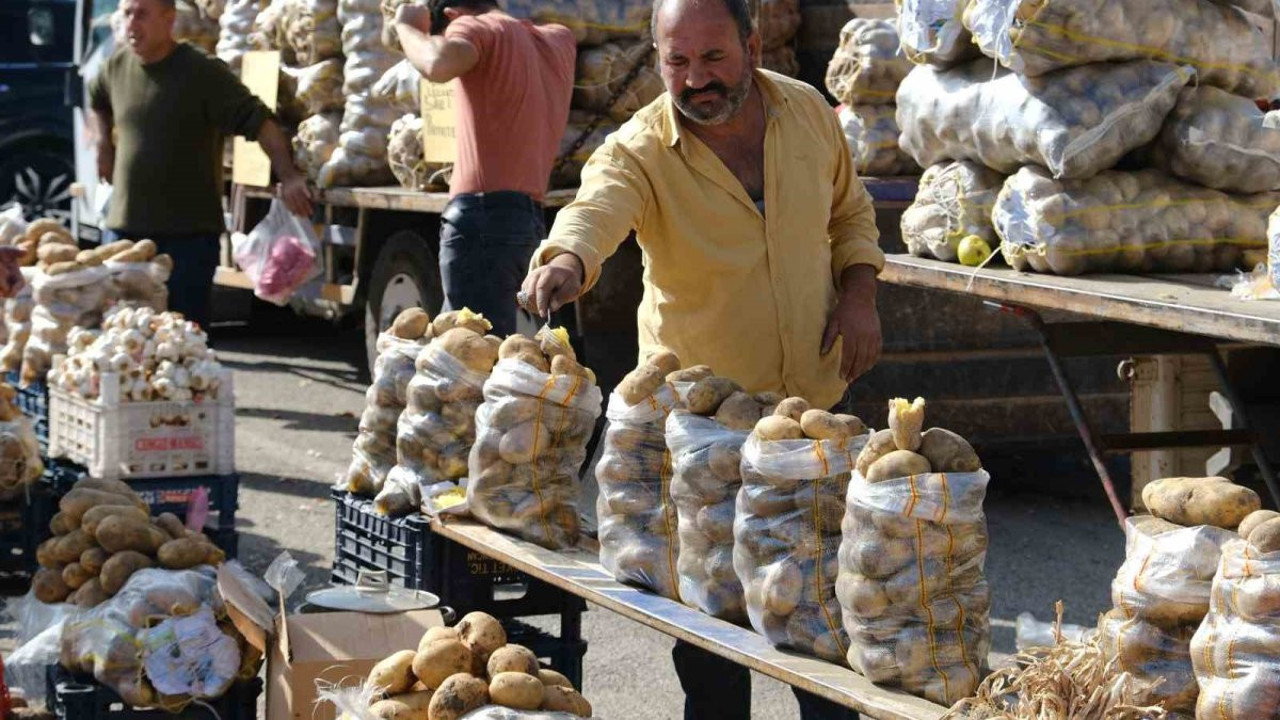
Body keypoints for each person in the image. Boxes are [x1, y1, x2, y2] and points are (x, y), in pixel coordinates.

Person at [519, 0, 883, 717]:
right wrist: (566, 258)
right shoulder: (639, 149)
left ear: (752, 46)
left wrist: (860, 295)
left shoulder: (806, 113)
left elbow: (850, 214)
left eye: (713, 58)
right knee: (713, 636)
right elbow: (595, 210)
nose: (695, 79)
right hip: (706, 435)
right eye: (677, 62)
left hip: (811, 419)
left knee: (822, 617)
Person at [88, 0, 313, 329]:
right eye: (127, 13)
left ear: (169, 19)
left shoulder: (201, 72)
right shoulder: (116, 67)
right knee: (121, 338)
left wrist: (289, 175)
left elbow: (260, 122)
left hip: (187, 239)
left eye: (142, 14)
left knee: (183, 340)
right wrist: (103, 145)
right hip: (125, 234)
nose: (131, 23)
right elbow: (97, 98)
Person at [394, 0, 576, 336]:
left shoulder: (476, 28)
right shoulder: (558, 40)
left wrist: (406, 27)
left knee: (469, 352)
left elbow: (436, 63)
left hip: (481, 218)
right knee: (496, 348)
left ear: (451, 15)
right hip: (528, 217)